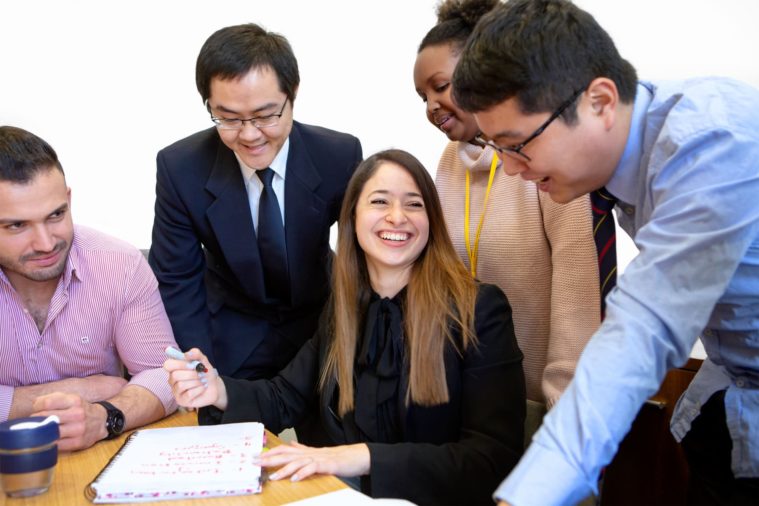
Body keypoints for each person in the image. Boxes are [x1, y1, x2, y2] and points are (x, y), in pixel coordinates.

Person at [451, 0, 759, 504]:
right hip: (732, 406)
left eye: (516, 144)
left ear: (599, 100)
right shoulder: (619, 165)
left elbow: (642, 329)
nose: (510, 169)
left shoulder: (709, 144)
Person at [166, 149, 526, 505]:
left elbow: (492, 458)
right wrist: (215, 389)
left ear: (432, 219)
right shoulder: (344, 308)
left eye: (414, 204)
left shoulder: (479, 308)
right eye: (380, 202)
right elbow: (284, 396)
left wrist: (354, 457)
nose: (397, 217)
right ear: (352, 216)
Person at [149, 24, 363, 383]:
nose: (249, 134)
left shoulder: (338, 156)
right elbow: (177, 281)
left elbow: (362, 257)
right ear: (208, 105)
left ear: (292, 94)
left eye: (266, 115)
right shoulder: (180, 168)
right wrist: (202, 370)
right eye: (229, 118)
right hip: (232, 327)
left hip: (320, 322)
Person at [414, 0, 600, 410]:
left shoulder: (549, 161)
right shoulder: (448, 163)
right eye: (421, 95)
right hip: (466, 403)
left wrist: (561, 409)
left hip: (537, 406)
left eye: (440, 87)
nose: (430, 106)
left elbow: (578, 302)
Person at [0, 126, 178, 451]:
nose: (45, 243)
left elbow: (163, 374)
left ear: (68, 199)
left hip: (96, 456)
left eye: (56, 215)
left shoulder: (119, 264)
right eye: (17, 225)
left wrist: (104, 415)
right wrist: (85, 388)